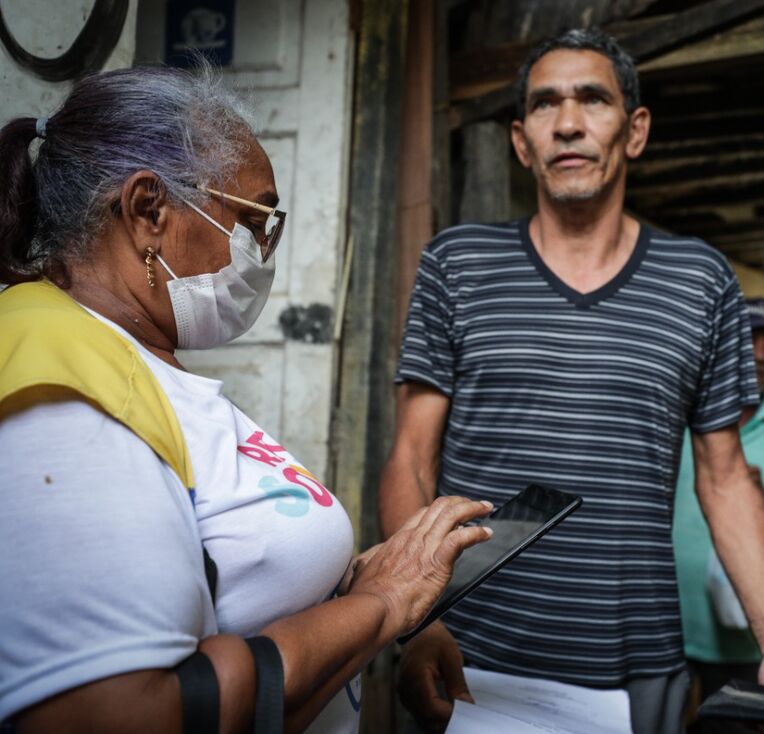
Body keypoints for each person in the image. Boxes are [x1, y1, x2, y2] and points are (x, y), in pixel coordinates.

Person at [0, 65, 494, 733]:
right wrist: (381, 605)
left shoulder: (131, 360)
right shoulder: (59, 384)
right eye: (255, 220)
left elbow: (230, 577)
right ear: (150, 212)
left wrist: (355, 587)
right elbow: (124, 716)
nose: (263, 252)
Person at [380, 29, 764, 734]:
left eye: (593, 99)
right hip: (466, 656)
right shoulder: (457, 264)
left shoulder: (700, 281)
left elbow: (724, 477)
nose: (568, 122)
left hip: (636, 668)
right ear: (521, 140)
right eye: (545, 105)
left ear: (635, 129)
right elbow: (410, 458)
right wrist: (416, 624)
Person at [673, 298, 764, 701]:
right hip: (664, 625)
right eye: (749, 339)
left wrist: (753, 509)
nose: (759, 354)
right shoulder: (680, 415)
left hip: (740, 635)